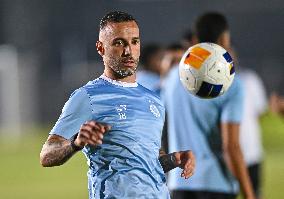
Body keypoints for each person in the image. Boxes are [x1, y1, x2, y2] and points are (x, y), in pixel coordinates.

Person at [39, 11, 195, 199]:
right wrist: (76, 143)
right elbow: (47, 155)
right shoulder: (87, 96)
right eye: (119, 43)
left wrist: (173, 159)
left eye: (134, 42)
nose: (128, 50)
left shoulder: (153, 99)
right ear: (101, 48)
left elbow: (150, 160)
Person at [163, 12, 256, 199]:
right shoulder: (231, 83)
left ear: (195, 38)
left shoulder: (173, 77)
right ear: (224, 38)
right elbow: (231, 147)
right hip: (217, 185)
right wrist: (249, 195)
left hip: (179, 183)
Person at [230, 47, 267, 199]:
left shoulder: (250, 79)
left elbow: (260, 111)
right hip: (226, 156)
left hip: (251, 153)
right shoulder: (210, 86)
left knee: (255, 193)